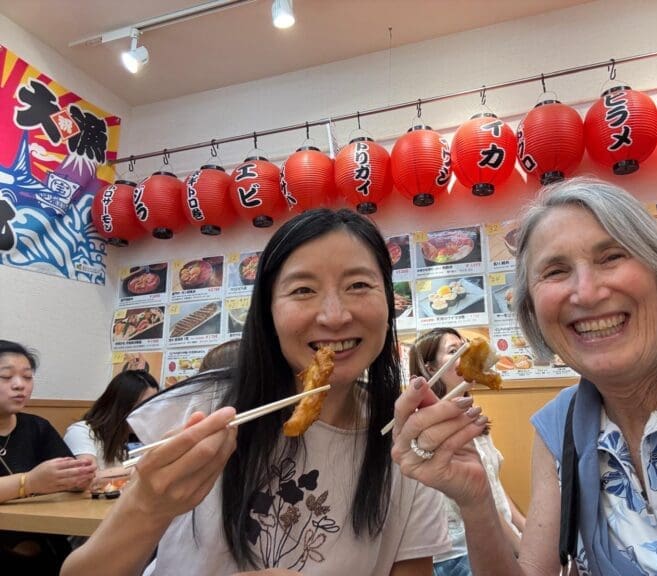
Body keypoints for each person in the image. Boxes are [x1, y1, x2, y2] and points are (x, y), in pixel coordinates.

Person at [390, 177, 657, 576]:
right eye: (555, 271)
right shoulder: (559, 430)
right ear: (534, 312)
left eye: (611, 257)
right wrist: (475, 500)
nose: (586, 293)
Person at [63, 208, 449, 576]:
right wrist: (148, 505)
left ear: (389, 303)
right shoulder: (198, 413)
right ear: (267, 311)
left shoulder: (408, 442)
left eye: (359, 285)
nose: (334, 315)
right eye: (302, 290)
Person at [409, 327, 525, 575]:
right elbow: (473, 500)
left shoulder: (471, 417)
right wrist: (522, 547)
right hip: (460, 556)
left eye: (466, 347)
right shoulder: (432, 429)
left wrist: (524, 527)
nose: (469, 354)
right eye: (455, 351)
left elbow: (493, 486)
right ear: (431, 369)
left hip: (498, 541)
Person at [0, 340, 96, 573]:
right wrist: (29, 482)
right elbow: (37, 481)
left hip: (48, 544)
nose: (19, 385)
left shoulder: (37, 427)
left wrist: (78, 477)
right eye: (6, 377)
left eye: (27, 377)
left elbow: (67, 474)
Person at [64, 370, 159, 469]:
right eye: (145, 407)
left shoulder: (133, 438)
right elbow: (91, 478)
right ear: (121, 407)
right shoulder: (80, 432)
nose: (151, 414)